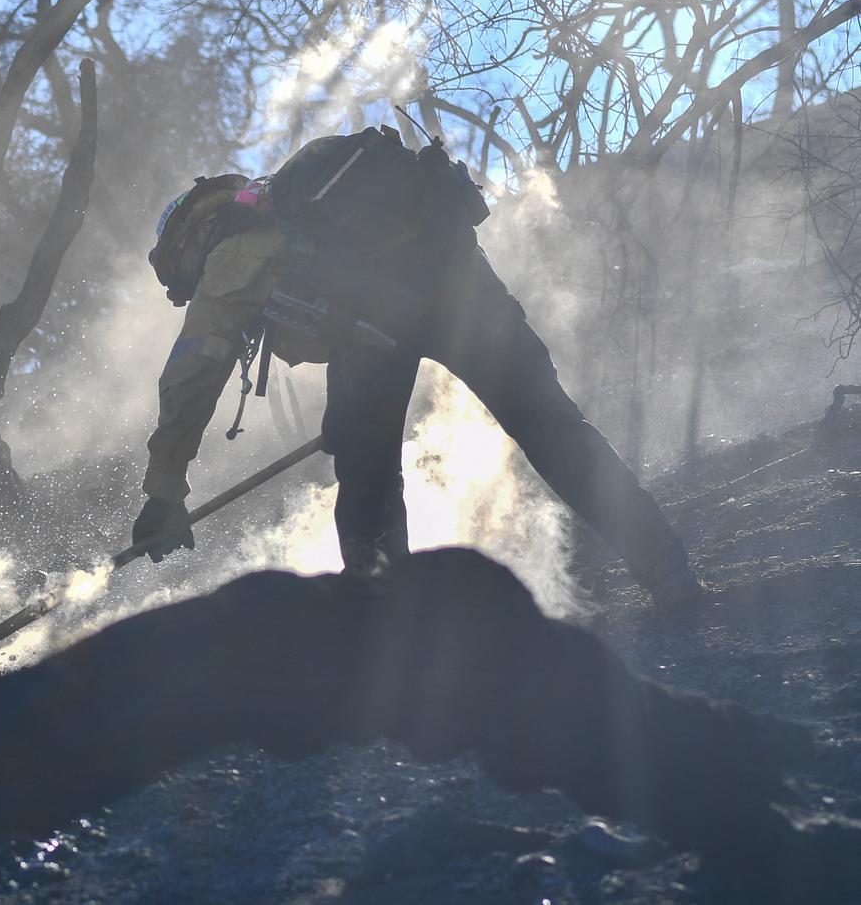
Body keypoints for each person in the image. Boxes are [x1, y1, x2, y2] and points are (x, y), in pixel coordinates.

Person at [134, 132, 706, 610]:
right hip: (463, 285)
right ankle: (668, 571)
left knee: (369, 477)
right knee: (554, 429)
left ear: (188, 240)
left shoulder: (235, 249)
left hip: (373, 334)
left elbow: (192, 376)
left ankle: (385, 631)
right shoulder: (308, 192)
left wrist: (164, 493)